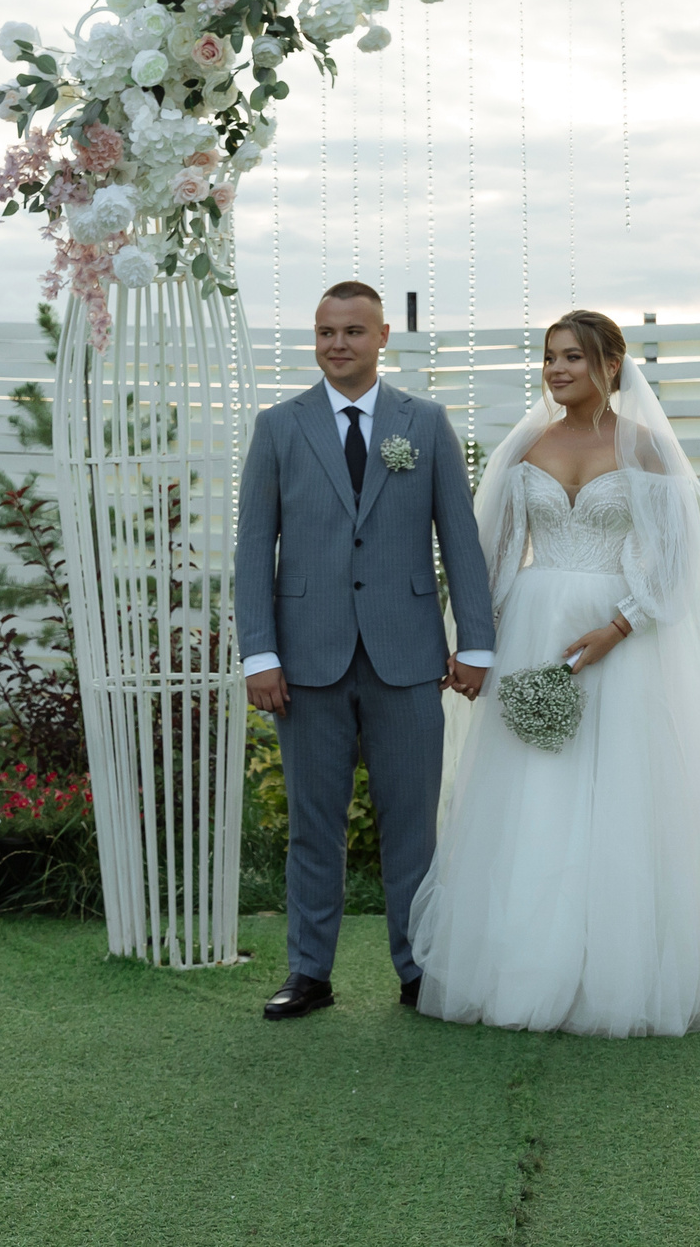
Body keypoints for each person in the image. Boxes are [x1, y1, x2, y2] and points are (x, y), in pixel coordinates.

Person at [408, 310, 700, 1036]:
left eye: (572, 356)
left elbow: (675, 561)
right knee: (534, 792)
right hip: (535, 634)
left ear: (611, 363)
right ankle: (524, 964)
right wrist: (482, 645)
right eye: (549, 358)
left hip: (620, 638)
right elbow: (495, 559)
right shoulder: (526, 447)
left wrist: (618, 626)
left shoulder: (645, 448)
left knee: (622, 794)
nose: (557, 369)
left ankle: (619, 971)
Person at [234, 280, 497, 1020]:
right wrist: (260, 654)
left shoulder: (428, 422)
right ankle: (309, 971)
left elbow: (461, 544)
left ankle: (420, 969)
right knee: (313, 825)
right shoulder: (278, 428)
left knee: (411, 823)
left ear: (384, 337)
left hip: (408, 657)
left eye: (352, 331)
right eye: (325, 332)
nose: (337, 344)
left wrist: (475, 641)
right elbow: (254, 548)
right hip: (306, 660)